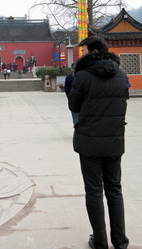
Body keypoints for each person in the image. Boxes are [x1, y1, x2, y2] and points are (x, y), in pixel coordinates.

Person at [68, 36, 129, 249]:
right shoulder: (122, 75)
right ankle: (120, 242)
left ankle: (100, 242)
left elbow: (74, 107)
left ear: (94, 52)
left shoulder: (83, 76)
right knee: (114, 189)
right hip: (114, 140)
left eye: (85, 51)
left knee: (94, 191)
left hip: (89, 143)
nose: (82, 54)